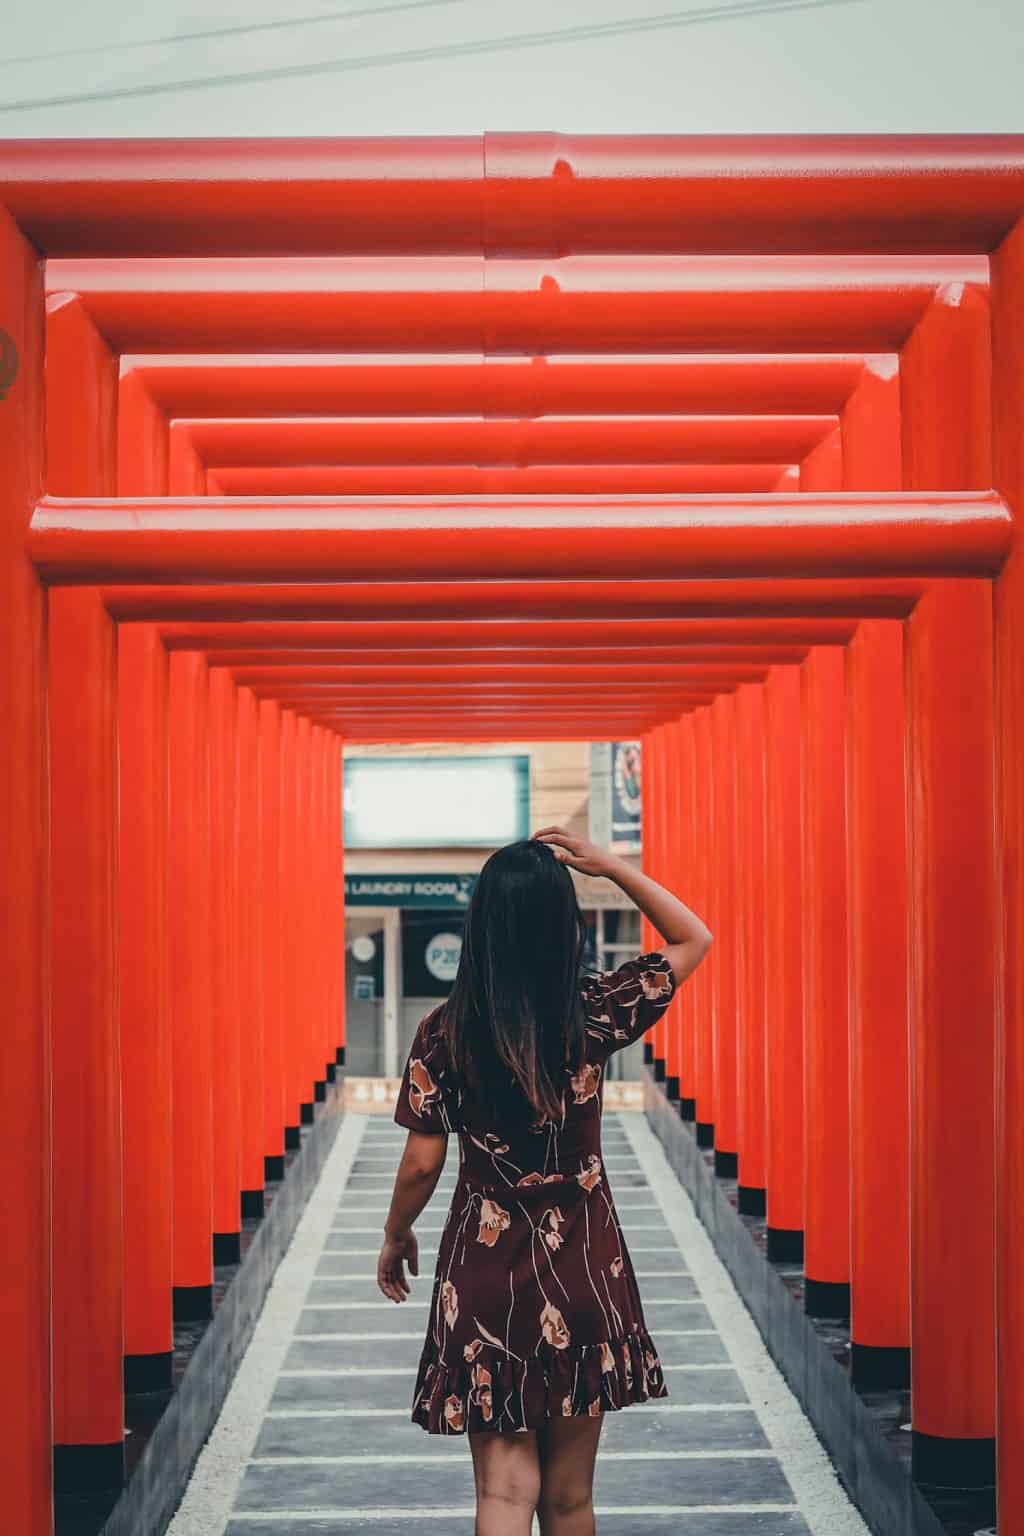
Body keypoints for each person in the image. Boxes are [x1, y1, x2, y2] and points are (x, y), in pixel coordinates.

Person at [376, 826, 712, 1536]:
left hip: (484, 1278)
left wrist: (395, 1232)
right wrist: (610, 866)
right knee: (569, 1499)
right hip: (586, 1272)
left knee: (503, 1496)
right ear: (566, 926)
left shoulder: (445, 1031)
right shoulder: (592, 1013)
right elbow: (693, 939)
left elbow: (423, 1163)